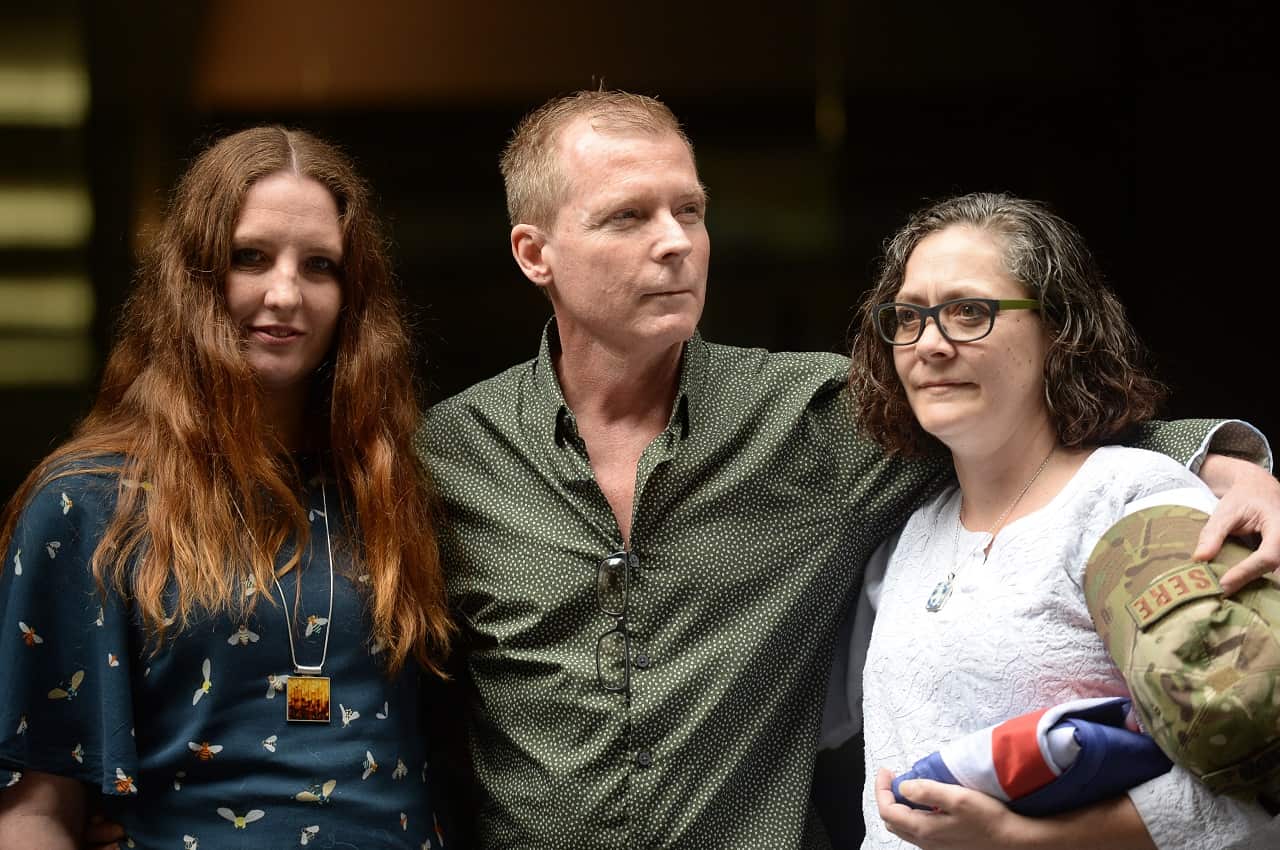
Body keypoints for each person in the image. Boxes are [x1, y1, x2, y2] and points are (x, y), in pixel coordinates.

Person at [417, 90, 1280, 849]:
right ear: (535, 255)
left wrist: (1231, 465)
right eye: (628, 217)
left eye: (692, 209)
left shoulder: (813, 422)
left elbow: (1029, 419)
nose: (676, 243)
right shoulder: (451, 456)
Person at [0, 127, 456, 849]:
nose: (285, 294)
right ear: (195, 277)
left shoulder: (392, 482)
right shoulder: (87, 499)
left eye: (320, 265)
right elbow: (35, 800)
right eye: (250, 257)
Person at [821, 192, 1278, 848]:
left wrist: (1022, 841)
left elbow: (1256, 786)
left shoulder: (1129, 500)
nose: (930, 343)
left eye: (968, 311)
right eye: (909, 317)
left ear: (1058, 329)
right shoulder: (907, 536)